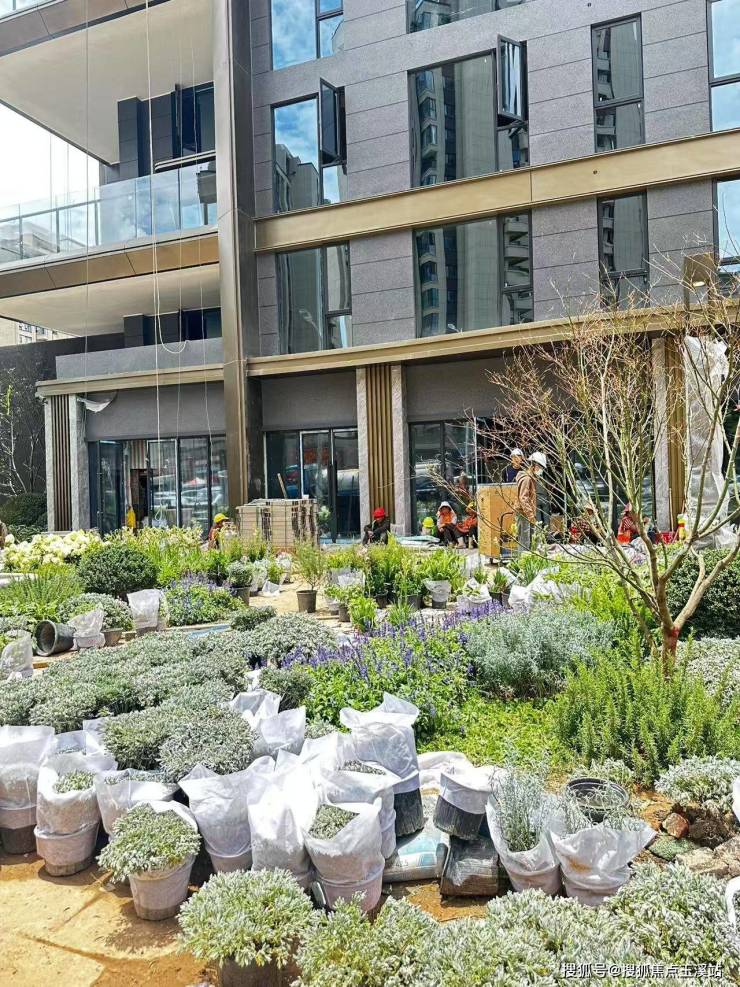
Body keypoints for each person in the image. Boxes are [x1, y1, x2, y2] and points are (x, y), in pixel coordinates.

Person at [515, 452, 546, 549]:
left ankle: (529, 557)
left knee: (531, 541)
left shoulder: (531, 478)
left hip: (527, 514)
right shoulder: (527, 479)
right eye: (540, 467)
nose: (541, 470)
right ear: (534, 465)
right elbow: (523, 499)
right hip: (523, 514)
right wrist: (531, 516)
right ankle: (523, 559)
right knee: (524, 542)